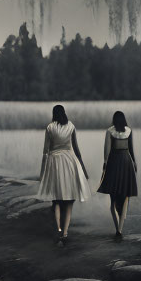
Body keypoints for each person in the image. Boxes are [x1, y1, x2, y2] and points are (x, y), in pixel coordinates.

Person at [35, 104, 90, 244]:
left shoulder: (50, 127)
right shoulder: (71, 126)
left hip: (55, 163)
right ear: (64, 113)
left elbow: (45, 151)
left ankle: (58, 228)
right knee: (70, 200)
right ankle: (65, 233)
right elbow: (77, 149)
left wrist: (42, 172)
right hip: (70, 162)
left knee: (57, 199)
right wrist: (83, 169)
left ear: (53, 114)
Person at [97, 110, 137, 239]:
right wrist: (135, 163)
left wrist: (104, 166)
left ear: (114, 120)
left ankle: (117, 230)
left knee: (113, 200)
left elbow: (106, 152)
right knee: (125, 197)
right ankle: (120, 229)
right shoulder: (129, 131)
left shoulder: (110, 131)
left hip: (114, 163)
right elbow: (131, 149)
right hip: (126, 163)